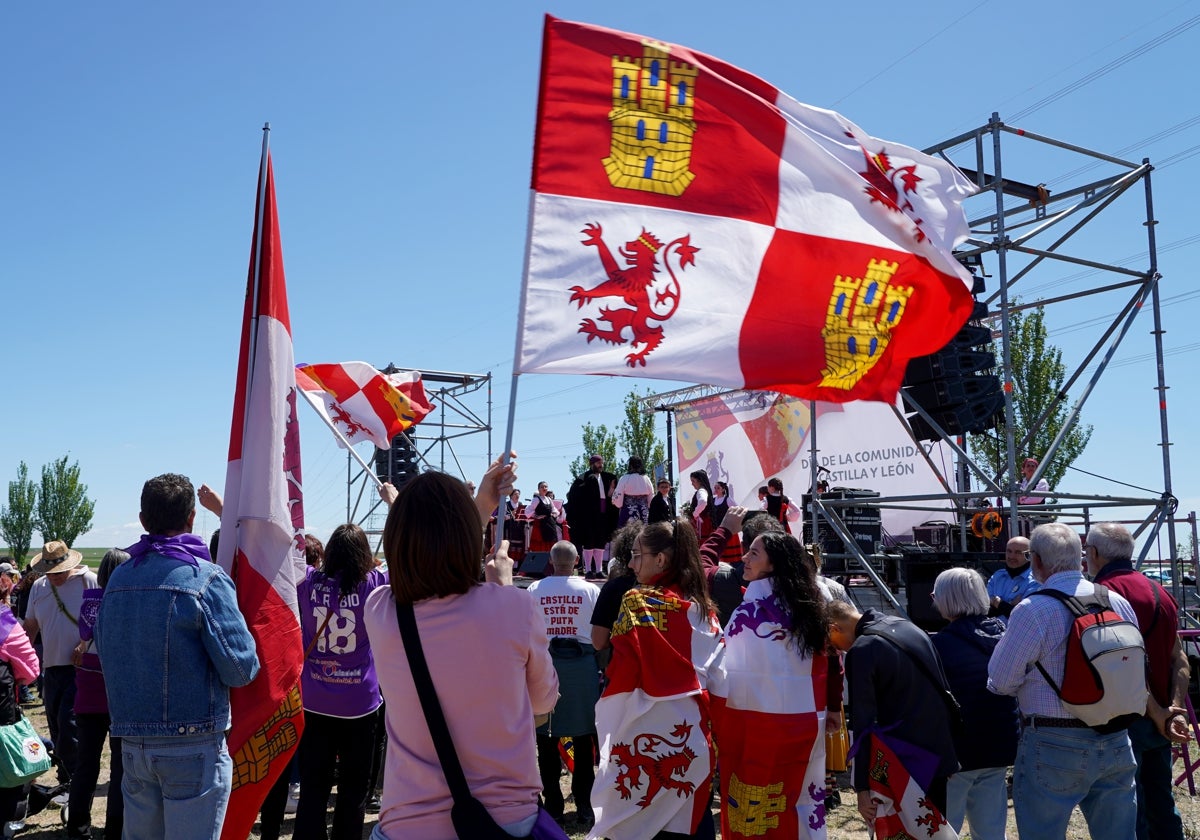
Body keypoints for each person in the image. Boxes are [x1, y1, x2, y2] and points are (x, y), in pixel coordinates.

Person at [362, 459, 560, 839]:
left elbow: (418, 557)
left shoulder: (380, 611)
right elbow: (543, 700)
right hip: (507, 820)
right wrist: (502, 588)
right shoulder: (515, 607)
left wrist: (474, 506)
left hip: (407, 825)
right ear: (469, 537)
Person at [95, 473, 260, 840]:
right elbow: (241, 668)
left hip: (133, 741)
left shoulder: (118, 579)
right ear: (190, 519)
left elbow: (107, 653)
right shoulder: (205, 579)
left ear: (143, 521)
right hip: (193, 744)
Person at [987, 522, 1138, 840]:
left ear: (1036, 562)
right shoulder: (1117, 602)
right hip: (1116, 737)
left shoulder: (1033, 610)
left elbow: (1000, 682)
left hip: (1052, 741)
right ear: (1081, 560)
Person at [590, 517, 720, 840]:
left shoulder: (636, 602)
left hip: (644, 740)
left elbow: (622, 674)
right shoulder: (704, 611)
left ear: (660, 559)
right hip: (694, 742)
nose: (632, 565)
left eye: (637, 555)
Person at [707, 532, 832, 838]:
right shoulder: (807, 609)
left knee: (756, 799)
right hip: (802, 723)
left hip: (755, 724)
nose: (744, 559)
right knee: (797, 794)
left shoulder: (749, 613)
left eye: (753, 553)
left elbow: (725, 672)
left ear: (772, 563)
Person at [1086, 522, 1191, 840]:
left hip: (1122, 722)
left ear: (1093, 554)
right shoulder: (1161, 592)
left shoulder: (1101, 595)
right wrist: (1172, 709)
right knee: (1163, 806)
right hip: (1159, 723)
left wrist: (1158, 711)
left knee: (1131, 814)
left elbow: (1120, 667)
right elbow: (1181, 660)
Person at [827, 599, 958, 825]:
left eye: (833, 645)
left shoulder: (862, 650)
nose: (837, 650)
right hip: (938, 752)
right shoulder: (908, 626)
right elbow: (943, 688)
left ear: (834, 628)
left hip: (903, 763)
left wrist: (862, 787)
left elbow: (863, 723)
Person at [295, 523, 388, 840]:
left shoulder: (306, 583)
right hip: (359, 703)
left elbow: (283, 554)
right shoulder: (373, 584)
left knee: (313, 785)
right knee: (354, 788)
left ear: (330, 553)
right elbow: (404, 559)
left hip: (314, 701)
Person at [930, 567, 1018, 840]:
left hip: (956, 753)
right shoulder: (1005, 636)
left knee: (945, 831)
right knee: (991, 831)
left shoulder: (939, 645)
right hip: (999, 748)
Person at [526, 541, 601, 828]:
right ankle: (584, 805)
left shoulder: (535, 590)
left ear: (550, 561)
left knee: (546, 739)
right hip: (581, 667)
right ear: (578, 560)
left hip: (546, 668)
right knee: (583, 741)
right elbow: (599, 633)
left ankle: (555, 806)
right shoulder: (591, 590)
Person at [23, 540, 99, 788]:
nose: (54, 576)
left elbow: (100, 619)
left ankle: (76, 781)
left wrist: (84, 643)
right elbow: (31, 625)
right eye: (50, 572)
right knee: (56, 725)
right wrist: (22, 658)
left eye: (58, 571)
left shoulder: (89, 580)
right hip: (51, 667)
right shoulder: (38, 586)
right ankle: (65, 779)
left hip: (82, 667)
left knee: (69, 725)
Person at [68, 548, 129, 840]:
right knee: (119, 767)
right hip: (119, 700)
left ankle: (77, 826)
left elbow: (80, 647)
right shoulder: (128, 606)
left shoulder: (89, 606)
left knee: (86, 765)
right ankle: (115, 830)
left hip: (87, 698)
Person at [0, 593, 40, 830]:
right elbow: (31, 670)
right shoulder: (5, 625)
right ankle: (7, 821)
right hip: (2, 718)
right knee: (8, 769)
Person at [567, 455, 617, 579]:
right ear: (592, 464)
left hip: (603, 513)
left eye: (602, 463)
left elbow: (609, 495)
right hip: (588, 516)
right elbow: (574, 496)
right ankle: (588, 570)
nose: (601, 465)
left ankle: (599, 570)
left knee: (601, 542)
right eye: (598, 463)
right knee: (589, 542)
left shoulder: (606, 477)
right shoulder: (583, 478)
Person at [986, 535, 1040, 618]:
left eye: (1018, 552)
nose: (1011, 556)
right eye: (1009, 551)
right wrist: (1009, 606)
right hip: (989, 629)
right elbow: (984, 608)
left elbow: (1024, 615)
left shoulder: (1035, 581)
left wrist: (997, 603)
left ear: (1028, 555)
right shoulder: (997, 577)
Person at [612, 457, 654, 528]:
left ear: (630, 465)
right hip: (643, 512)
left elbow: (618, 500)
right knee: (644, 534)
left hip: (628, 511)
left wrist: (615, 501)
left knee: (627, 535)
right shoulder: (647, 479)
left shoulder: (624, 478)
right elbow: (651, 498)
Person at [525, 481, 560, 554]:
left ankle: (549, 563)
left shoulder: (549, 499)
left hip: (550, 524)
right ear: (538, 489)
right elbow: (528, 511)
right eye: (542, 487)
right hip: (540, 525)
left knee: (551, 543)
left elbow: (555, 510)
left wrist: (554, 514)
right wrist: (536, 516)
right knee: (541, 546)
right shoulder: (536, 499)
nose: (544, 488)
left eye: (546, 487)